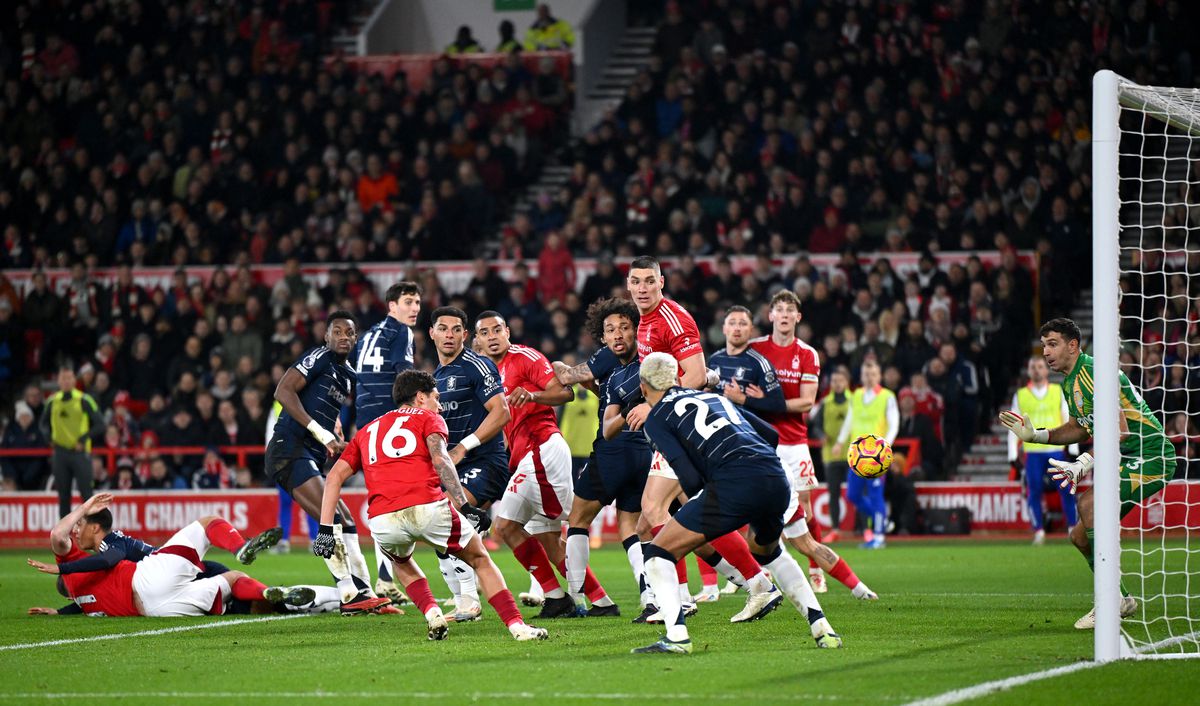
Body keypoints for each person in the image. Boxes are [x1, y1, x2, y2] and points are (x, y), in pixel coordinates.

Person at [632, 352, 842, 654]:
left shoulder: (657, 417)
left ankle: (677, 638)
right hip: (775, 476)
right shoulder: (714, 397)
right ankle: (823, 628)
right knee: (765, 549)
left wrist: (717, 493)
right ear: (678, 378)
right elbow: (769, 434)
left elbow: (688, 478)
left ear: (643, 388)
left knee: (658, 553)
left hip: (733, 481)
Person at [316, 370, 547, 642]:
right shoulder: (429, 418)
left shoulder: (367, 430)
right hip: (427, 505)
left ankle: (431, 612)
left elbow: (333, 477)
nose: (439, 404)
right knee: (480, 559)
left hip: (382, 518)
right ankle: (517, 627)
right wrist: (464, 505)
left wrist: (325, 529)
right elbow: (441, 460)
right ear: (420, 397)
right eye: (436, 398)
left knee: (400, 563)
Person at [1000, 318, 1176, 629]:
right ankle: (1120, 599)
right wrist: (1037, 436)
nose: (1046, 352)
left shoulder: (1094, 371)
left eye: (1053, 344)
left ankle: (1107, 602)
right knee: (1078, 536)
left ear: (1073, 345)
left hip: (1150, 455)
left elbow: (1120, 431)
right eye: (1044, 346)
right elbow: (1080, 427)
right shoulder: (1069, 382)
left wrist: (1084, 462)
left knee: (1089, 504)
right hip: (1124, 457)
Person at [710, 303, 876, 600]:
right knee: (746, 525)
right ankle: (746, 581)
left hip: (780, 447)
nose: (737, 328)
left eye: (742, 324)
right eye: (731, 323)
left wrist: (745, 401)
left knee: (795, 527)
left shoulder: (780, 358)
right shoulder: (735, 354)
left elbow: (796, 404)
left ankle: (793, 577)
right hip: (752, 453)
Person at [475, 310, 618, 619]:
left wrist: (533, 396)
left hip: (542, 448)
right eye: (484, 333)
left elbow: (565, 392)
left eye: (496, 330)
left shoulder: (525, 357)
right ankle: (596, 601)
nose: (491, 336)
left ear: (508, 332)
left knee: (509, 525)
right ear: (479, 340)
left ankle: (561, 595)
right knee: (548, 539)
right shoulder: (484, 372)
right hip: (525, 454)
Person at [266, 310, 390, 615]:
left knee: (346, 520)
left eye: (349, 333)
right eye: (337, 332)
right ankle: (348, 594)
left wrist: (333, 428)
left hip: (308, 454)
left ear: (356, 338)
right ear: (326, 336)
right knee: (331, 519)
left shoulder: (347, 375)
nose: (343, 337)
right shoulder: (319, 356)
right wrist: (322, 433)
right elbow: (283, 390)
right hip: (289, 449)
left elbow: (322, 405)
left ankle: (366, 593)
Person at [28, 493, 315, 617]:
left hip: (161, 583)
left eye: (79, 525)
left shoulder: (102, 547)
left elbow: (106, 560)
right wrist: (62, 606)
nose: (75, 531)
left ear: (95, 526)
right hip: (165, 574)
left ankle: (273, 597)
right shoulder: (90, 572)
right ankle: (251, 565)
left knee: (229, 592)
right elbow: (100, 571)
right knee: (227, 568)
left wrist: (65, 574)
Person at [552, 298, 651, 614]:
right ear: (603, 335)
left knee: (578, 518)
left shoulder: (606, 358)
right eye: (611, 330)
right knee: (629, 526)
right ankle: (649, 596)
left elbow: (567, 377)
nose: (618, 335)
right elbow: (603, 390)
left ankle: (577, 596)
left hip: (612, 450)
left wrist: (556, 367)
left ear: (636, 329)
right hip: (644, 452)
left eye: (624, 327)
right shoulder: (639, 365)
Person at [430, 306, 511, 621]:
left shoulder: (478, 366)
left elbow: (501, 411)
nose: (449, 335)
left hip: (486, 461)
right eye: (443, 328)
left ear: (465, 335)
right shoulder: (435, 378)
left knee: (448, 515)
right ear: (432, 333)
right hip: (454, 468)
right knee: (438, 525)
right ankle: (463, 597)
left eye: (455, 330)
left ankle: (469, 600)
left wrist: (464, 447)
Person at [351, 281, 422, 605]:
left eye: (417, 302)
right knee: (402, 496)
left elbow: (354, 377)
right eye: (408, 302)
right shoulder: (402, 333)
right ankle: (386, 576)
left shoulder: (367, 335)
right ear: (391, 306)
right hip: (388, 420)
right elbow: (403, 377)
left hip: (365, 421)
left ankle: (384, 577)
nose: (415, 308)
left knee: (384, 497)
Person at [1008, 355, 1079, 545]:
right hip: (1032, 453)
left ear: (1046, 370)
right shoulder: (1020, 395)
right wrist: (1012, 454)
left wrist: (1073, 447)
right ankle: (1038, 531)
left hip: (1056, 449)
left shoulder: (1058, 391)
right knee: (1034, 491)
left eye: (1040, 366)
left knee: (1066, 490)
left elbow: (1068, 419)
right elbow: (1014, 425)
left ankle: (1073, 528)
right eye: (1033, 367)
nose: (1037, 370)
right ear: (1029, 371)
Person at [833, 359, 899, 549]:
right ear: (861, 376)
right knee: (852, 495)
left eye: (872, 374)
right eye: (865, 374)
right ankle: (883, 521)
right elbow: (849, 421)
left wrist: (885, 447)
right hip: (857, 455)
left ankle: (878, 536)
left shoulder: (887, 396)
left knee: (875, 494)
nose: (869, 377)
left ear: (879, 376)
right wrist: (839, 442)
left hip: (877, 456)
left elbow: (894, 424)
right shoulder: (856, 395)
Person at [40, 366, 105, 517]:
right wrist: (49, 438)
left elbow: (100, 424)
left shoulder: (84, 399)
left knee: (87, 495)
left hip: (80, 453)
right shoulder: (52, 401)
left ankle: (93, 532)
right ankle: (64, 536)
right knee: (63, 496)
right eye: (63, 378)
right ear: (58, 380)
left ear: (74, 380)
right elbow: (42, 424)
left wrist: (83, 440)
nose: (66, 381)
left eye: (69, 378)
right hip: (60, 453)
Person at [810, 367, 852, 539]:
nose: (837, 384)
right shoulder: (825, 403)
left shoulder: (855, 402)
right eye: (834, 381)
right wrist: (821, 435)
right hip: (831, 455)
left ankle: (864, 529)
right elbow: (815, 426)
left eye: (840, 380)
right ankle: (836, 529)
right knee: (833, 493)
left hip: (853, 454)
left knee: (856, 493)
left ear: (846, 383)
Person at [3, 400, 48, 490]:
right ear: (18, 418)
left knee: (33, 477)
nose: (24, 418)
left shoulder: (37, 432)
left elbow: (41, 455)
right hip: (14, 468)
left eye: (27, 416)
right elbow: (4, 454)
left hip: (33, 470)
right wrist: (11, 472)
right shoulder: (10, 432)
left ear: (31, 418)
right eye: (22, 416)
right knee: (9, 480)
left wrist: (31, 472)